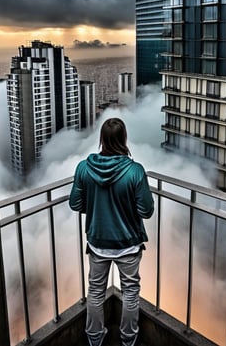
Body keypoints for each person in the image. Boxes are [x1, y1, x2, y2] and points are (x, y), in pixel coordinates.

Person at [69, 117, 154, 346]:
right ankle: (128, 339)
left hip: (97, 241)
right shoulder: (135, 171)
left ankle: (94, 339)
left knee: (95, 292)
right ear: (123, 139)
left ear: (102, 140)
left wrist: (96, 206)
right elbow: (146, 211)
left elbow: (75, 204)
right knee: (130, 292)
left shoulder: (84, 168)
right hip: (128, 243)